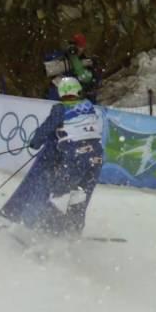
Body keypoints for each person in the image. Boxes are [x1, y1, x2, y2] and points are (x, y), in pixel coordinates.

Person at [29, 76, 104, 235]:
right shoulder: (89, 106)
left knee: (59, 193)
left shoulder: (60, 109)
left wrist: (35, 142)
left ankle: (49, 231)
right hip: (97, 156)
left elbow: (45, 129)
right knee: (80, 196)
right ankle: (73, 231)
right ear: (78, 90)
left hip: (77, 155)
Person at [44, 33, 102, 104]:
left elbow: (93, 84)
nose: (77, 49)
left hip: (78, 100)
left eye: (79, 46)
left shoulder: (88, 63)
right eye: (74, 45)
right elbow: (48, 67)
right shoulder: (59, 57)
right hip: (58, 97)